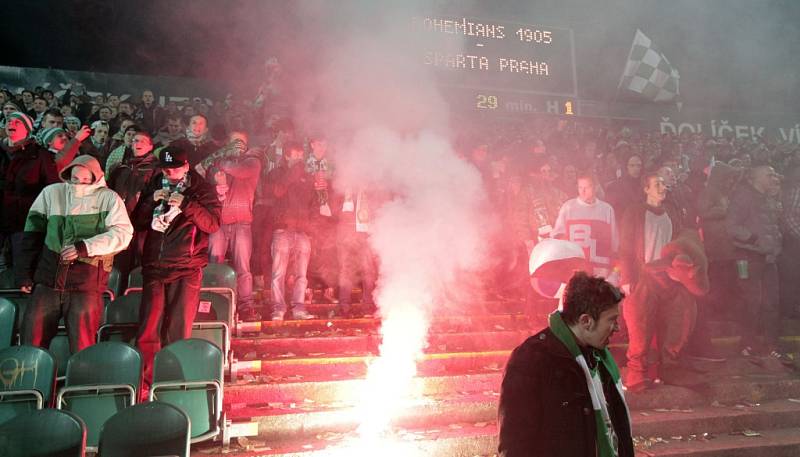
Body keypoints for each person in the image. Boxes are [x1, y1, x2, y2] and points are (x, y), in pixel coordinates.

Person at [498, 271, 633, 457]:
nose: (617, 328)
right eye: (611, 320)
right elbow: (515, 444)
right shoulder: (530, 360)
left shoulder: (600, 357)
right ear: (586, 321)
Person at [15, 155, 132, 353]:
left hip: (86, 285)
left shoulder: (109, 198)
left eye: (86, 179)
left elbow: (123, 234)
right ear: (68, 174)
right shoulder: (52, 192)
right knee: (31, 343)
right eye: (75, 178)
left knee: (83, 347)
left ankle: (81, 382)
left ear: (96, 177)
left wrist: (84, 247)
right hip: (48, 280)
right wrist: (25, 274)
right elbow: (31, 235)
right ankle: (32, 381)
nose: (79, 183)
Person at [132, 145, 220, 386]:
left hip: (186, 267)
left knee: (178, 329)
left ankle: (173, 382)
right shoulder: (154, 184)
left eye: (175, 168)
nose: (169, 173)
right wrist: (150, 202)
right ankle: (146, 383)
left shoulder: (201, 188)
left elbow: (212, 224)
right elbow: (136, 223)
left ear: (186, 166)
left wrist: (187, 205)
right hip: (155, 265)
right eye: (166, 169)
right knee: (149, 327)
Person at [199, 132, 262, 321]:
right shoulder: (216, 163)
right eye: (233, 141)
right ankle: (212, 303)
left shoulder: (252, 162)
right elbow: (202, 175)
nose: (237, 145)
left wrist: (221, 161)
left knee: (243, 266)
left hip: (242, 222)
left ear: (247, 144)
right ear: (227, 142)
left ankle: (246, 305)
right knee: (214, 265)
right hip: (219, 221)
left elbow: (240, 171)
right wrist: (215, 185)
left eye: (241, 142)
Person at [726, 165, 783, 357]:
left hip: (768, 257)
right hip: (748, 257)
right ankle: (748, 343)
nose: (773, 177)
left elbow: (774, 226)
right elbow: (732, 226)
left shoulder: (769, 197)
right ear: (756, 177)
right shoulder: (744, 196)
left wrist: (775, 246)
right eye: (769, 174)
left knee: (771, 303)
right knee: (751, 301)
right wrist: (752, 238)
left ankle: (770, 344)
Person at [267, 141, 317, 321]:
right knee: (278, 274)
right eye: (294, 156)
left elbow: (313, 202)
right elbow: (277, 192)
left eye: (300, 156)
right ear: (286, 156)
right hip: (282, 230)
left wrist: (310, 226)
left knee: (301, 274)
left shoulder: (307, 177)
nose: (298, 160)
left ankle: (299, 308)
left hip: (302, 231)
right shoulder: (276, 174)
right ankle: (278, 308)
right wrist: (292, 174)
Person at [552, 174, 618, 281]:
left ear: (595, 187)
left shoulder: (606, 209)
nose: (582, 191)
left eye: (586, 187)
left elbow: (614, 240)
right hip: (577, 268)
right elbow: (558, 234)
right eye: (580, 187)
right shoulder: (568, 207)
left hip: (600, 269)